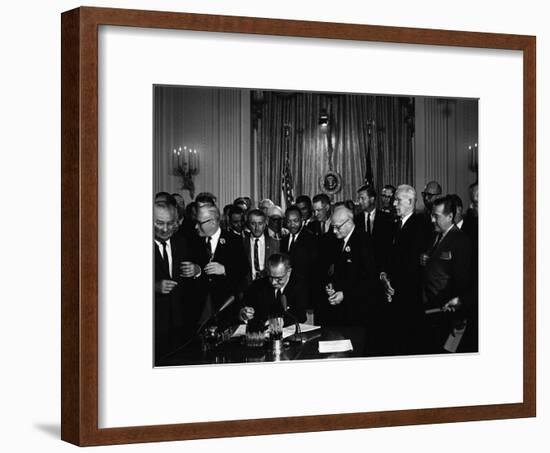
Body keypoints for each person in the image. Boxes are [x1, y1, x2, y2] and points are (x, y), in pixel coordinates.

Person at [379, 184, 429, 355]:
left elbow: (412, 266)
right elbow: (388, 257)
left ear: (410, 201)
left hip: (408, 298)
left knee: (407, 345)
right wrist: (384, 276)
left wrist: (392, 287)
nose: (394, 204)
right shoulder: (394, 225)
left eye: (398, 200)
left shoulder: (420, 226)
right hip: (392, 294)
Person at [421, 195, 472, 353]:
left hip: (445, 314)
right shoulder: (437, 236)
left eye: (436, 216)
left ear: (450, 216)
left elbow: (462, 281)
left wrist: (456, 311)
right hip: (431, 311)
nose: (432, 220)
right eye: (431, 215)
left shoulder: (461, 241)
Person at [153, 201, 200, 360]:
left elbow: (196, 284)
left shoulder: (182, 242)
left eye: (170, 223)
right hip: (153, 325)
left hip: (181, 324)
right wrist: (153, 287)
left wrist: (196, 270)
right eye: (159, 223)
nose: (165, 229)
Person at [190, 205, 248, 328]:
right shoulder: (194, 242)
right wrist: (197, 271)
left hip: (227, 308)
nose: (196, 227)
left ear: (212, 222)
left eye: (199, 223)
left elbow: (243, 270)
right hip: (201, 310)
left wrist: (225, 270)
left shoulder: (234, 240)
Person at [321, 206, 376, 328]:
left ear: (349, 222)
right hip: (343, 310)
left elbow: (369, 280)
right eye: (333, 227)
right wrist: (332, 287)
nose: (334, 231)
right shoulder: (338, 241)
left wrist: (345, 294)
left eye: (337, 227)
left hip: (358, 311)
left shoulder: (363, 241)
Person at [239, 253, 307, 328]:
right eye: (271, 277)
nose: (273, 282)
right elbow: (244, 309)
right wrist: (244, 315)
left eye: (279, 279)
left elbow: (301, 316)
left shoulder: (299, 286)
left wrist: (280, 321)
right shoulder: (257, 286)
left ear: (289, 272)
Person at [355, 184, 393, 273]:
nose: (360, 202)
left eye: (362, 198)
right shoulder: (356, 220)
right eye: (359, 199)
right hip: (361, 271)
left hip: (380, 270)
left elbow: (388, 247)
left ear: (372, 199)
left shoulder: (386, 219)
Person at [242, 209, 280, 286]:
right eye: (253, 223)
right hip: (247, 288)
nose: (257, 228)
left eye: (260, 223)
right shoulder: (242, 243)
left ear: (265, 224)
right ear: (248, 224)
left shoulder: (275, 244)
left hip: (269, 287)